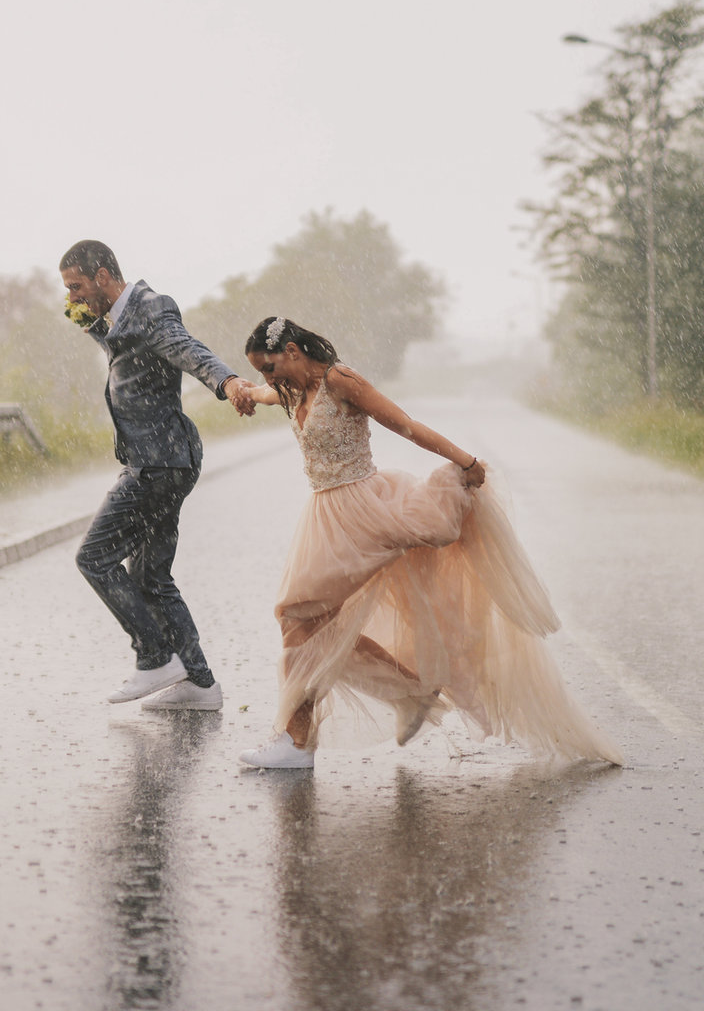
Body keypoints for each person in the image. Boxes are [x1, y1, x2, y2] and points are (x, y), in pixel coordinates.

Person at [230, 315, 622, 770]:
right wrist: (240, 388)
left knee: (297, 616)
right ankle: (408, 691)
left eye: (270, 367)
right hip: (323, 516)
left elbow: (406, 425)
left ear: (294, 352)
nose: (268, 378)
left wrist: (466, 459)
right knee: (310, 625)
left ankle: (298, 744)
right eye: (262, 371)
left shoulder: (341, 380)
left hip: (360, 513)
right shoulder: (288, 389)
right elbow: (255, 393)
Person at [59, 239, 258, 710]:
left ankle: (154, 657)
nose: (72, 298)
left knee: (95, 559)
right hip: (165, 458)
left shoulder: (152, 306)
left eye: (77, 287)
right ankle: (200, 684)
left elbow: (185, 348)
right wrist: (90, 323)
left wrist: (227, 382)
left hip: (157, 463)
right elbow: (127, 349)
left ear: (104, 275)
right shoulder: (121, 316)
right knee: (151, 577)